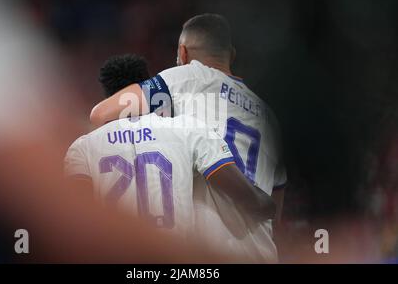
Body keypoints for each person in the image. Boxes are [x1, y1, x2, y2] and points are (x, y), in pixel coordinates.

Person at [89, 15, 287, 262]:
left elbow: (101, 115)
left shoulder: (185, 78)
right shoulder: (271, 118)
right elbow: (274, 215)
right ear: (231, 56)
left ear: (182, 53)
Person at [65, 54, 275, 247]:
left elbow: (75, 213)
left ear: (107, 96)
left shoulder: (83, 146)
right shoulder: (187, 128)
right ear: (145, 86)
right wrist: (268, 205)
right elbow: (249, 198)